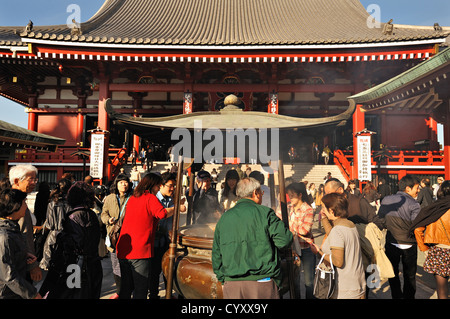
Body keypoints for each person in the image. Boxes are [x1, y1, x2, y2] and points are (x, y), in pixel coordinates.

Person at [212, 177, 293, 299]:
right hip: (262, 283)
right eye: (261, 192)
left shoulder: (224, 218)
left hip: (232, 284)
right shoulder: (265, 213)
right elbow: (285, 240)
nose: (261, 195)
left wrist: (223, 280)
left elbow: (216, 254)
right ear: (255, 193)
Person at [116, 173, 174, 299]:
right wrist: (176, 208)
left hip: (124, 249)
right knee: (140, 289)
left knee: (126, 288)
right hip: (139, 250)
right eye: (158, 185)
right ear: (152, 185)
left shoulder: (133, 197)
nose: (159, 188)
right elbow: (162, 213)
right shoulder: (150, 197)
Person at [43, 181, 103, 299]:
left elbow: (75, 244)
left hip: (75, 267)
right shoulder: (92, 215)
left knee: (73, 294)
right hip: (94, 265)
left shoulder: (72, 217)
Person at [311, 193, 366, 299]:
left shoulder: (338, 230)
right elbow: (333, 236)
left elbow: (338, 261)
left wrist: (319, 252)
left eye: (323, 207)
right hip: (357, 283)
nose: (322, 210)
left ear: (331, 211)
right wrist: (324, 218)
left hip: (344, 288)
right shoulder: (349, 225)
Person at [378, 175, 421, 299]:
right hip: (409, 243)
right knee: (410, 276)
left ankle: (396, 296)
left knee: (393, 273)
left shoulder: (386, 200)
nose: (418, 191)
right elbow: (416, 226)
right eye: (417, 188)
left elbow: (381, 220)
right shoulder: (414, 204)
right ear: (408, 188)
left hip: (391, 241)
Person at [411, 180, 450, 299]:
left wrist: (424, 248)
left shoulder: (434, 209)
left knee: (442, 291)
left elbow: (417, 229)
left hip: (439, 251)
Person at [0, 188, 42, 299]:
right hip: (6, 293)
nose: (26, 206)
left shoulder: (12, 228)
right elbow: (8, 275)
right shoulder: (4, 235)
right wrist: (33, 294)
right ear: (15, 206)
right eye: (24, 203)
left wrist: (22, 255)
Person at [276, 182, 315, 299]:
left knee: (309, 282)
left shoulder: (308, 209)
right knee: (295, 281)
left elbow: (304, 230)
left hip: (306, 248)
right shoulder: (288, 208)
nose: (290, 198)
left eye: (292, 195)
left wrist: (289, 227)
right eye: (289, 195)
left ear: (300, 195)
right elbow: (277, 219)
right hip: (293, 249)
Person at [150, 172, 186, 299]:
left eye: (174, 186)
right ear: (161, 186)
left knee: (168, 269)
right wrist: (177, 207)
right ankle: (153, 295)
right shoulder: (154, 198)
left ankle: (168, 294)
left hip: (167, 240)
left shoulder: (172, 199)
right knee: (154, 271)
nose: (172, 188)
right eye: (170, 186)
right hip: (154, 241)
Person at [100, 173, 133, 299]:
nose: (123, 184)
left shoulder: (132, 198)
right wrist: (108, 220)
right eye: (120, 182)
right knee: (116, 264)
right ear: (116, 184)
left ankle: (128, 290)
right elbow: (103, 214)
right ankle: (120, 291)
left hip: (129, 236)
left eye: (125, 182)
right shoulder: (110, 198)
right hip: (113, 236)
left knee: (128, 264)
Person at [38, 178, 72, 296]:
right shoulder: (72, 203)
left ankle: (47, 294)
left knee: (53, 271)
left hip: (54, 236)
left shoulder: (52, 203)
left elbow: (50, 224)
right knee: (70, 270)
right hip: (69, 237)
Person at [9, 164, 42, 283]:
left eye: (35, 179)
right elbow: (24, 234)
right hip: (18, 263)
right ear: (17, 181)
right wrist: (32, 266)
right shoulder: (15, 204)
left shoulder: (15, 199)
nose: (34, 182)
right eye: (31, 179)